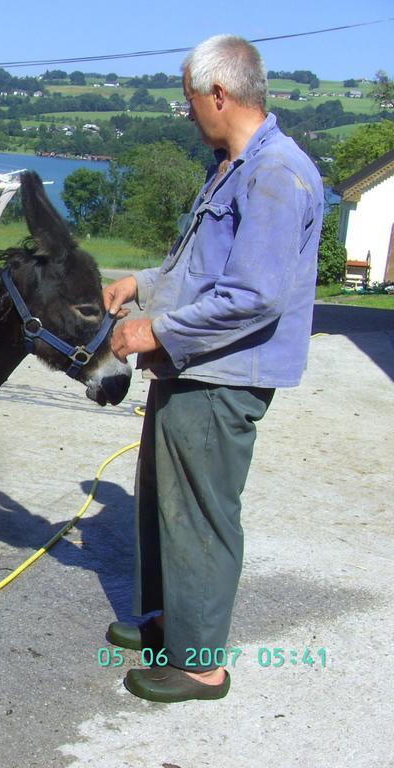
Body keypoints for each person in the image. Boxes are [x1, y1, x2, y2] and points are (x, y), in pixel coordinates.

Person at [101, 35, 323, 703]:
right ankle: (173, 626)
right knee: (167, 508)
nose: (189, 113)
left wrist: (154, 329)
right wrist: (142, 283)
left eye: (190, 100)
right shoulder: (231, 165)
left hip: (223, 376)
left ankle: (200, 664)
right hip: (192, 369)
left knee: (200, 514)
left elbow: (255, 295)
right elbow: (205, 267)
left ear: (219, 94)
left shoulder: (276, 173)